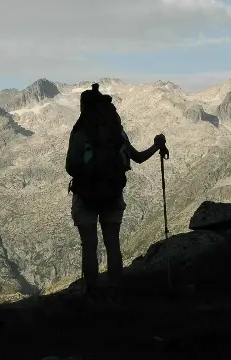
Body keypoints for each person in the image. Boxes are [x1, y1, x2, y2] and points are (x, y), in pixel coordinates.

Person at [65, 84, 168, 299]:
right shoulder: (116, 133)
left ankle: (92, 292)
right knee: (113, 244)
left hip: (85, 197)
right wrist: (157, 145)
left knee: (90, 246)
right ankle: (115, 289)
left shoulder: (81, 132)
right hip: (112, 194)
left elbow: (70, 166)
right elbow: (137, 158)